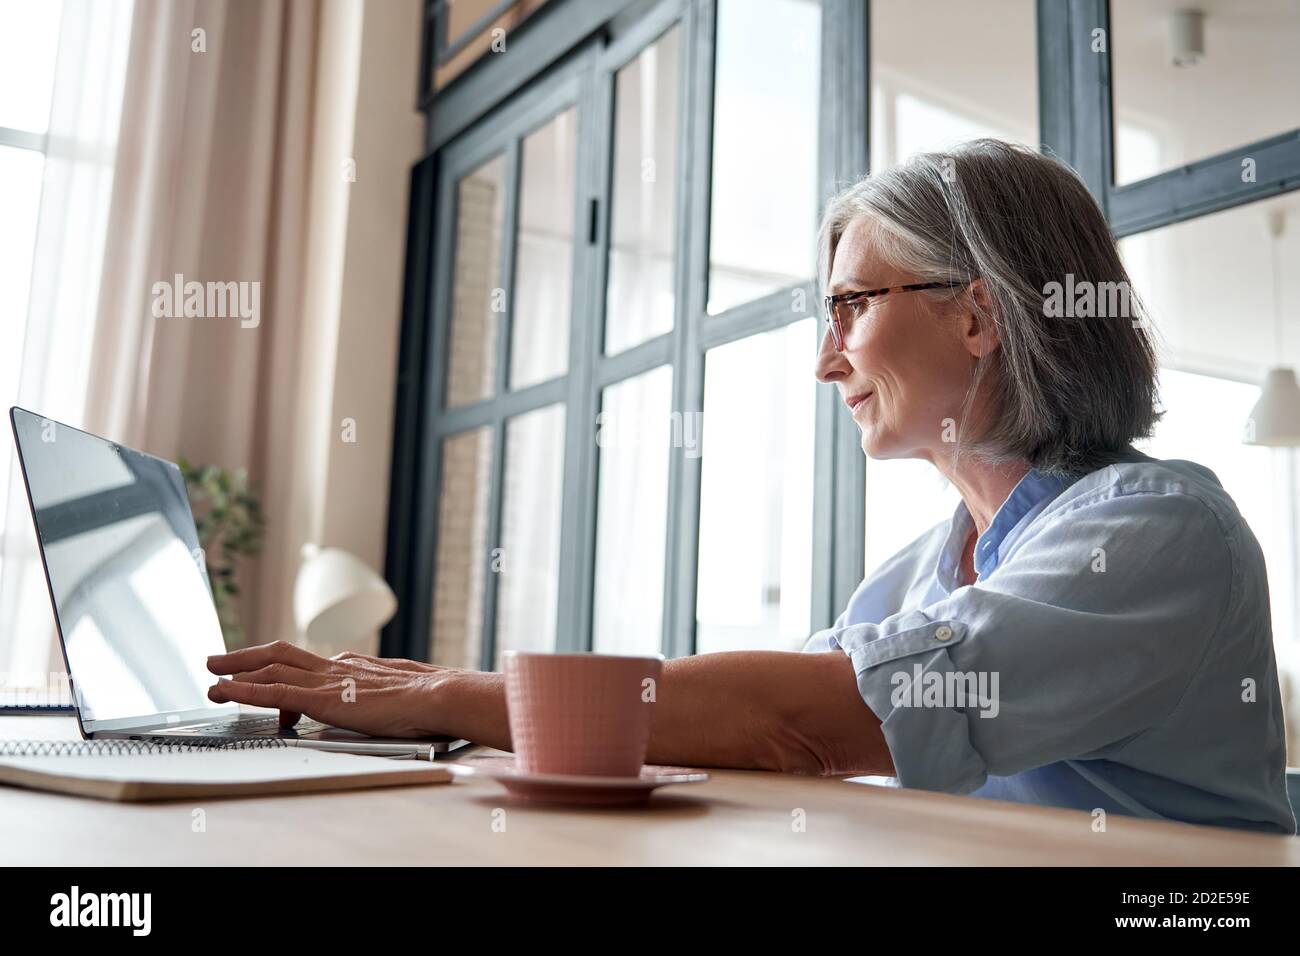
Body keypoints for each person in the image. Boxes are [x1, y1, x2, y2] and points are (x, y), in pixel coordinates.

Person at [210, 139, 1295, 834]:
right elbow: (751, 713)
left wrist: (446, 694)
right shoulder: (922, 571)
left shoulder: (1156, 533)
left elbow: (809, 719)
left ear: (977, 315)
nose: (827, 362)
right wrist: (434, 696)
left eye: (849, 308)